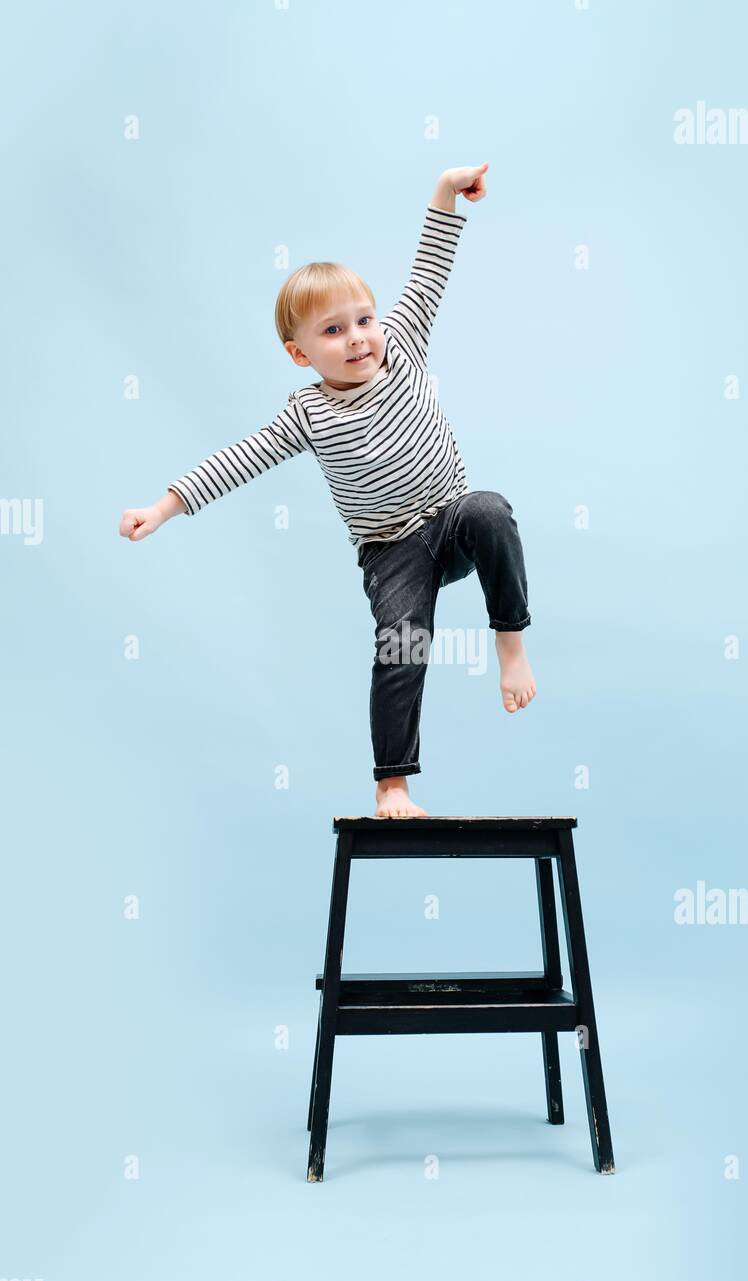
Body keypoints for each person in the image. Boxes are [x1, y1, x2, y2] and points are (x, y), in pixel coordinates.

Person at [119, 163, 536, 817]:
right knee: (403, 640)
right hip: (390, 549)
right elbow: (239, 460)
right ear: (300, 354)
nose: (357, 339)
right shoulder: (306, 414)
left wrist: (444, 192)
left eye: (362, 320)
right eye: (333, 332)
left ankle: (510, 646)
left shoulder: (402, 346)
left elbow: (429, 267)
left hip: (450, 520)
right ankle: (393, 783)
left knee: (491, 510)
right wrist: (164, 507)